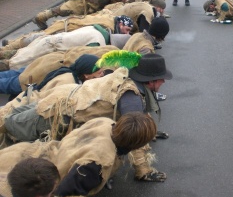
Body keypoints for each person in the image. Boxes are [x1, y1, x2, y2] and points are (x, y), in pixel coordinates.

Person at [0, 52, 172, 182]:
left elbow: (139, 116)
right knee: (9, 124)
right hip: (53, 113)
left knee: (12, 119)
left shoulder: (130, 81)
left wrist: (151, 132)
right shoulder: (131, 97)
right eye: (161, 79)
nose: (163, 82)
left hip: (64, 100)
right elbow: (134, 130)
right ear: (150, 81)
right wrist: (143, 170)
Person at [0, 113, 157, 197]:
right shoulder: (96, 164)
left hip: (37, 152)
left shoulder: (105, 122)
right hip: (36, 179)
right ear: (136, 145)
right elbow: (64, 191)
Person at [0, 21, 133, 71]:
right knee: (13, 64)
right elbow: (81, 59)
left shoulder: (97, 29)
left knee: (17, 54)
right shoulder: (97, 42)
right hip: (49, 48)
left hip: (48, 41)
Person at [32, 0, 132, 30]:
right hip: (81, 4)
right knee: (60, 11)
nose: (125, 0)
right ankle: (40, 18)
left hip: (82, 0)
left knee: (61, 11)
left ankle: (42, 18)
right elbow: (96, 5)